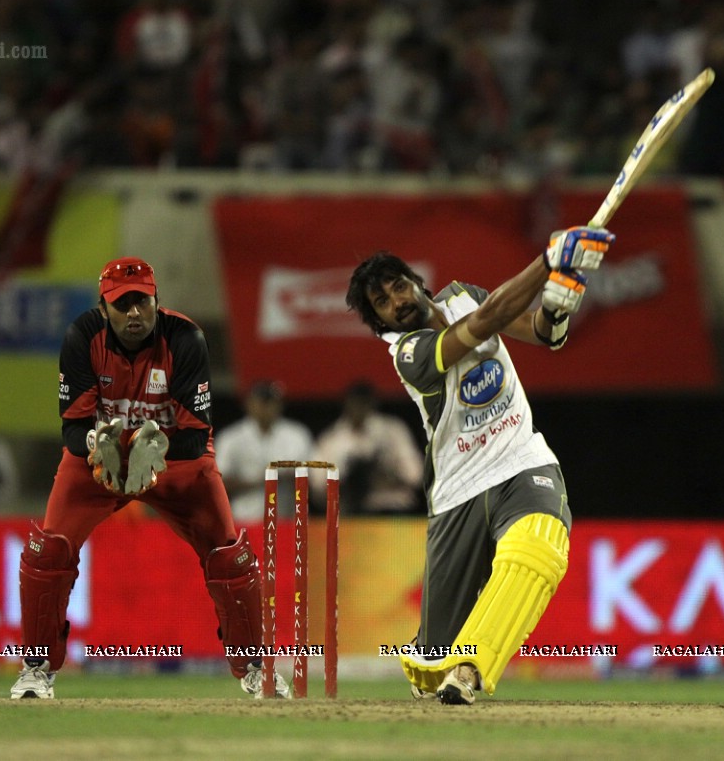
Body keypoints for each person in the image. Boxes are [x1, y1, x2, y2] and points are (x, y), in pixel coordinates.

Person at [345, 224, 615, 705]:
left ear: (417, 280)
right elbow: (487, 321)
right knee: (432, 662)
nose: (397, 301)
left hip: (520, 460)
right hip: (459, 491)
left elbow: (541, 333)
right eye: (382, 302)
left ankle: (471, 671)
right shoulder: (408, 355)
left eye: (398, 285)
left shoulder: (463, 294)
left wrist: (558, 303)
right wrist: (548, 261)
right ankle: (439, 661)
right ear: (380, 322)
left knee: (539, 553)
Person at [10, 257, 287, 700]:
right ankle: (36, 669)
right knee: (48, 554)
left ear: (157, 300)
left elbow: (195, 437)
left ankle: (257, 669)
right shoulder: (82, 336)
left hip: (175, 460)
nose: (134, 313)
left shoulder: (185, 338)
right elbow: (72, 428)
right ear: (104, 309)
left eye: (142, 301)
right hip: (101, 462)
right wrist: (107, 446)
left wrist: (148, 446)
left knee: (229, 558)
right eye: (123, 305)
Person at [312, 380, 423, 514]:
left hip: (394, 512)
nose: (359, 407)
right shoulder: (331, 439)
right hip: (350, 514)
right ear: (345, 404)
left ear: (373, 403)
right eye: (355, 402)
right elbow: (317, 487)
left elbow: (415, 476)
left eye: (364, 402)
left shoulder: (393, 431)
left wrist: (388, 473)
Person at [214, 379, 314, 523]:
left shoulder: (297, 434)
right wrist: (260, 479)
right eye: (261, 401)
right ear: (248, 403)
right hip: (245, 520)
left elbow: (313, 480)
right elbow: (218, 482)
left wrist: (285, 475)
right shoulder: (231, 437)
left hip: (287, 521)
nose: (266, 407)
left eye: (271, 402)